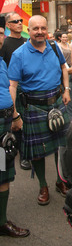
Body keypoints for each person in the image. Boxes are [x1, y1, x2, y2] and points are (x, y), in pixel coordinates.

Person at [8, 15, 71, 206]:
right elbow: (12, 85)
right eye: (36, 28)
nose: (40, 32)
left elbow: (64, 68)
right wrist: (15, 114)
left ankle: (60, 180)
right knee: (37, 151)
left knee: (62, 146)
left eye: (43, 28)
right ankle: (43, 185)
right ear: (29, 29)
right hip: (33, 107)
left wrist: (66, 89)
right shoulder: (19, 54)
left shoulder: (53, 47)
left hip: (57, 101)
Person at [0, 16, 30, 238]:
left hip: (4, 121)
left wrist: (15, 114)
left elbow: (8, 87)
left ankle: (1, 222)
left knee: (2, 172)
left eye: (0, 33)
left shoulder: (1, 60)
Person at [0, 13, 30, 171]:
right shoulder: (5, 45)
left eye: (21, 21)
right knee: (16, 123)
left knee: (25, 122)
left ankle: (25, 153)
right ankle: (21, 155)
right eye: (15, 21)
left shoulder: (27, 41)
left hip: (28, 87)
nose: (19, 23)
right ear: (8, 26)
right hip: (13, 88)